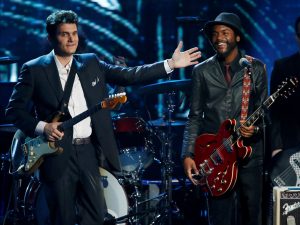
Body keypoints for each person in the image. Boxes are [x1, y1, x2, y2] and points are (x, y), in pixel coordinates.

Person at [5, 10, 201, 225]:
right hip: (55, 155)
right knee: (63, 217)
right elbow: (14, 112)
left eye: (74, 33)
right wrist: (43, 127)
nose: (71, 39)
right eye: (64, 34)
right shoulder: (34, 69)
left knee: (96, 215)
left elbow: (130, 75)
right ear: (52, 37)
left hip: (88, 151)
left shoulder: (90, 63)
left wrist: (170, 64)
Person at [181, 12, 268, 225]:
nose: (219, 37)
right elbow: (194, 117)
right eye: (215, 34)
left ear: (237, 37)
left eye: (225, 32)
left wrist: (254, 131)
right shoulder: (201, 71)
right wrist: (187, 154)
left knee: (252, 216)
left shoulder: (254, 68)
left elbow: (265, 113)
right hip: (216, 156)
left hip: (249, 156)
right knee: (220, 218)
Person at [270, 16, 300, 157]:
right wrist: (276, 146)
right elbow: (274, 112)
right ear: (296, 37)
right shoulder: (283, 66)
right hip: (291, 145)